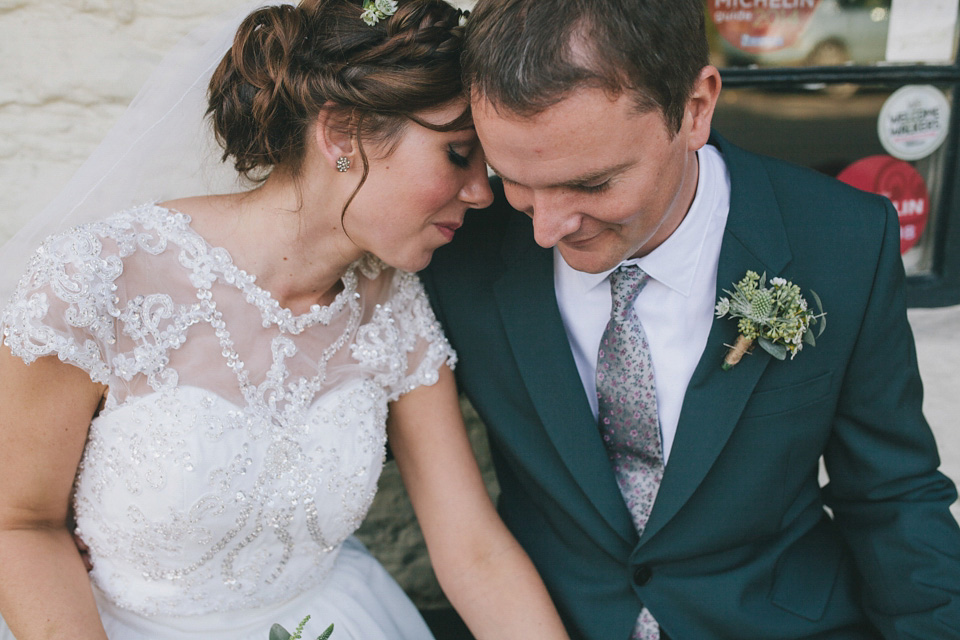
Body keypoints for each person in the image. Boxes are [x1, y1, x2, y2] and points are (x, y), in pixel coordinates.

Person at [0, 1, 572, 639]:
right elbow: (19, 525)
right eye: (458, 154)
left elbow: (473, 548)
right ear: (341, 131)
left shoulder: (393, 305)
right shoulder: (100, 280)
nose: (482, 192)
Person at [420, 0, 960, 638]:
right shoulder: (455, 249)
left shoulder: (841, 241)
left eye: (593, 185)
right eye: (516, 181)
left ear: (696, 107)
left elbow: (891, 496)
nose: (546, 228)